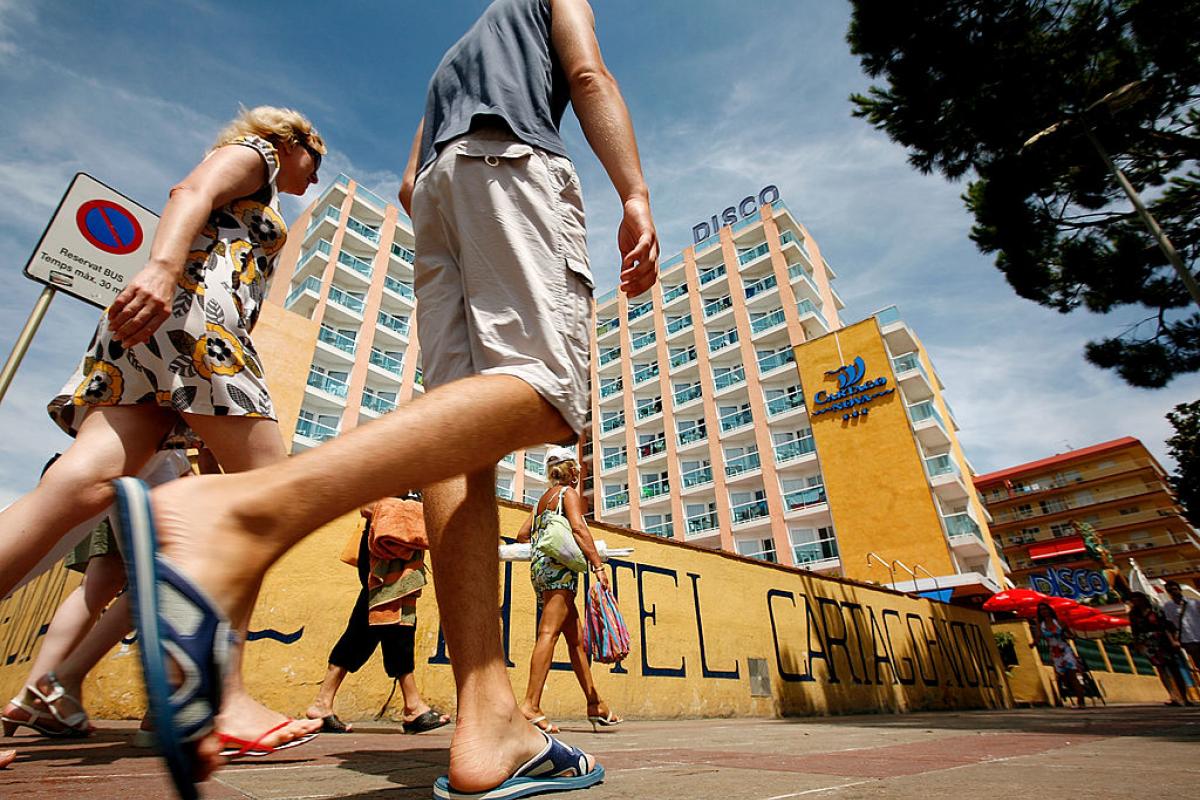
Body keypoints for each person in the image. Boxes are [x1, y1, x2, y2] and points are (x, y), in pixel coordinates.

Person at [108, 0, 658, 796]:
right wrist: (633, 192)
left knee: (462, 444)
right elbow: (586, 73)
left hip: (438, 198)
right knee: (546, 392)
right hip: (511, 166)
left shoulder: (450, 64)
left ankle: (487, 723)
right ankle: (247, 511)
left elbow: (407, 185)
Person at [0, 105, 327, 754]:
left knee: (80, 483)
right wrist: (159, 266)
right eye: (315, 166)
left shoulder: (264, 180)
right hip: (198, 323)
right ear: (296, 144)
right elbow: (192, 191)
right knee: (272, 500)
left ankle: (194, 689)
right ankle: (217, 693)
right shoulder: (258, 154)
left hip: (167, 333)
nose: (312, 182)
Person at [2, 448, 193, 739]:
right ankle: (61, 684)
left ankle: (35, 693)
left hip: (114, 462)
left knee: (103, 581)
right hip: (147, 460)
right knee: (167, 573)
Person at [306, 499, 449, 735]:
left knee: (370, 627)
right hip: (384, 556)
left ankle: (323, 703)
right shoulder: (394, 468)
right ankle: (413, 707)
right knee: (395, 623)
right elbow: (367, 504)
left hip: (398, 554)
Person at [515, 446, 621, 734]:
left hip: (540, 569)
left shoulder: (542, 501)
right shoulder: (567, 494)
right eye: (577, 469)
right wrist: (598, 566)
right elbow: (578, 529)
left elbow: (522, 534)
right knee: (548, 633)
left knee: (576, 640)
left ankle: (594, 703)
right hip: (559, 573)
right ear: (572, 470)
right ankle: (530, 705)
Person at [1128, 592, 1192, 706]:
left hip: (1164, 641)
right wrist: (1138, 643)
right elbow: (1135, 630)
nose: (1136, 601)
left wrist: (1173, 640)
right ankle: (1173, 696)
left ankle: (1184, 696)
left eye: (1138, 598)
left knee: (1174, 669)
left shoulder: (1156, 610)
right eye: (1133, 599)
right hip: (1149, 643)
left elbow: (1166, 626)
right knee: (1161, 669)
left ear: (1143, 599)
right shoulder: (1133, 614)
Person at [1029, 603, 1087, 708]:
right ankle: (1079, 691)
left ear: (1050, 610)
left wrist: (1070, 635)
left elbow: (1070, 634)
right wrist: (1033, 644)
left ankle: (1081, 701)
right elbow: (1037, 638)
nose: (1044, 612)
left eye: (1045, 609)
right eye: (1041, 610)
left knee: (1072, 675)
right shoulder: (1040, 625)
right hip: (1055, 653)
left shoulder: (1059, 622)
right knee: (1064, 678)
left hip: (1065, 650)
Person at [1161, 580, 1200, 672]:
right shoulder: (1167, 607)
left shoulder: (1194, 603)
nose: (1173, 592)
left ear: (1179, 589)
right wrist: (1173, 640)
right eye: (1170, 590)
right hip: (1187, 639)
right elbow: (1169, 625)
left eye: (1174, 589)